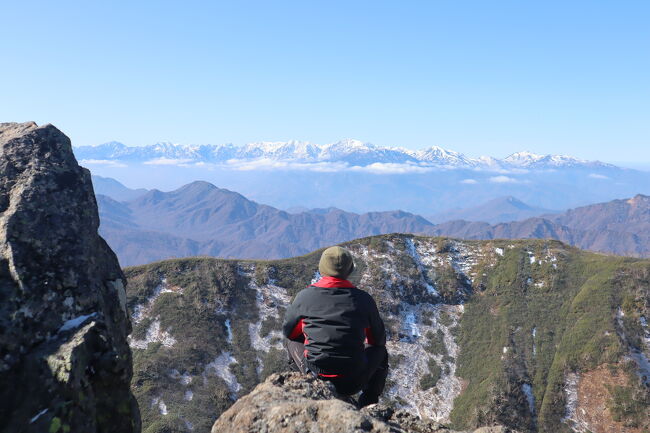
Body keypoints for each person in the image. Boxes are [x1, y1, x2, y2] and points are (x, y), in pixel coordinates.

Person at [282, 245, 389, 407]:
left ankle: (301, 386)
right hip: (352, 382)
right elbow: (378, 340)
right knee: (381, 351)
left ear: (322, 268)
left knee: (291, 341)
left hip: (317, 376)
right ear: (349, 270)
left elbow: (289, 332)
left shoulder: (305, 297)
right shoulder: (364, 300)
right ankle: (368, 404)